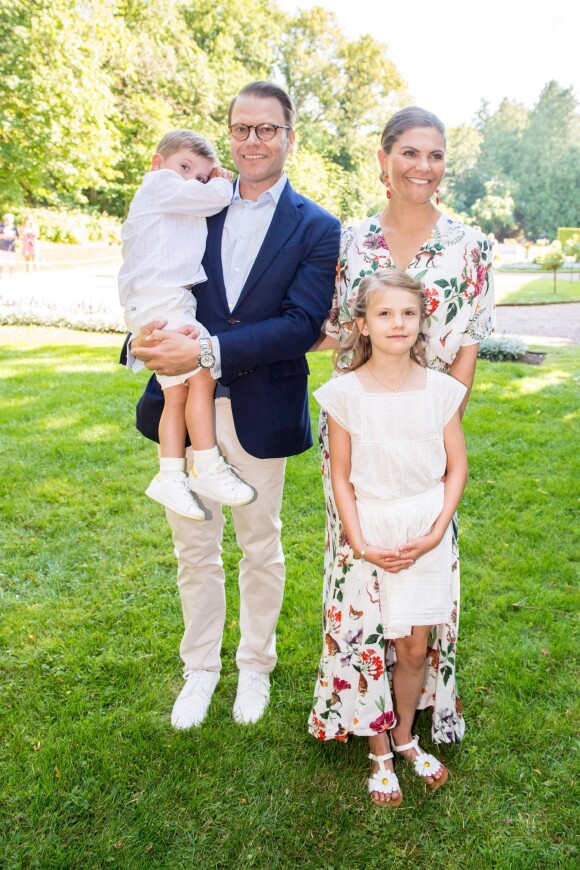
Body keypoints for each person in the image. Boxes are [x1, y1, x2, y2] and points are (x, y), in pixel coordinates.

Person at [129, 82, 341, 728]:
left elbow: (304, 322)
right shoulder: (199, 201)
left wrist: (209, 353)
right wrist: (139, 340)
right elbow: (152, 274)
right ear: (230, 134)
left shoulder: (316, 225)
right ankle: (200, 669)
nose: (254, 140)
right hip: (182, 406)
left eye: (268, 129)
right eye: (242, 128)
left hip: (259, 405)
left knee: (258, 542)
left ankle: (255, 666)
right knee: (193, 546)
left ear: (289, 137)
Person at [308, 107, 494, 771]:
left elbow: (467, 341)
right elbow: (330, 325)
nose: (423, 166)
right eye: (409, 152)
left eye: (435, 154)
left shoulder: (472, 245)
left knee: (421, 566)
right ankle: (365, 714)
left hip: (429, 432)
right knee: (363, 571)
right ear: (383, 159)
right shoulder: (349, 241)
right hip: (360, 432)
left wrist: (442, 424)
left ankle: (415, 708)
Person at [312, 269, 468, 805]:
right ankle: (378, 747)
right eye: (384, 313)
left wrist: (435, 532)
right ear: (362, 324)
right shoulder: (344, 394)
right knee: (368, 644)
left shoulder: (443, 390)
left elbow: (457, 470)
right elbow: (340, 476)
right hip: (369, 532)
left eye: (407, 313)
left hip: (424, 530)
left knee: (412, 645)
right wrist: (357, 542)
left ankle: (404, 734)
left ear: (422, 321)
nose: (397, 323)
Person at [119, 129, 255, 521]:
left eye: (198, 175)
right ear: (157, 162)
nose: (190, 180)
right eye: (184, 167)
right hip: (160, 297)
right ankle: (207, 466)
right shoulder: (160, 184)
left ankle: (171, 475)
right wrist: (218, 180)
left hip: (166, 298)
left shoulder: (169, 198)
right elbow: (212, 199)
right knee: (201, 376)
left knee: (179, 392)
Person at [0, 213, 18, 277]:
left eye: (8, 219)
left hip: (11, 248)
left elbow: (17, 237)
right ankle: (1, 275)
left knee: (11, 263)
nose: (6, 221)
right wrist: (4, 236)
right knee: (1, 262)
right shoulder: (1, 226)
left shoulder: (14, 228)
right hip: (2, 247)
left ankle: (11, 275)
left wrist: (11, 237)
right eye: (5, 219)